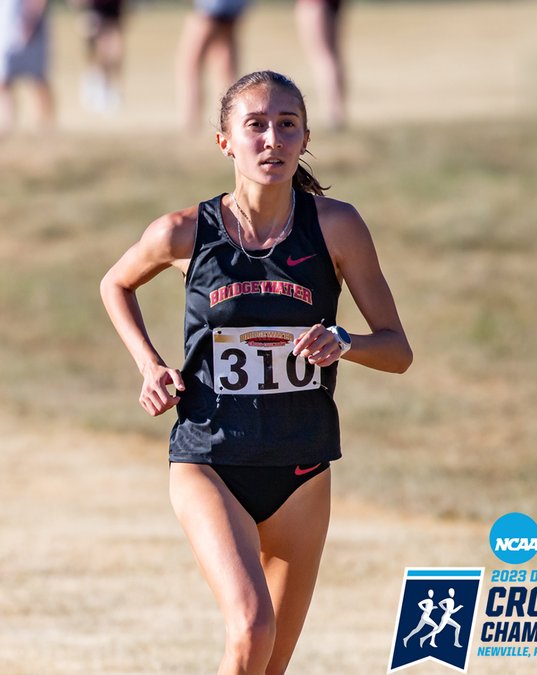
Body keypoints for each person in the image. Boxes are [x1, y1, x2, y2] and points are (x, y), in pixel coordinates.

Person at [100, 70, 413, 673]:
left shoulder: (336, 226)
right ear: (226, 142)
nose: (272, 138)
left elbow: (398, 351)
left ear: (304, 138)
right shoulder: (183, 231)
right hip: (210, 457)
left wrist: (344, 341)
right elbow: (115, 283)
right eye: (256, 126)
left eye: (287, 125)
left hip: (302, 466)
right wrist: (150, 364)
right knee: (250, 626)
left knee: (269, 664)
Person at [177, 0, 249, 130]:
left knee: (191, 64)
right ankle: (232, 119)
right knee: (225, 63)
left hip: (212, 6)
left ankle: (192, 121)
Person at [0, 0, 54, 135]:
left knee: (37, 78)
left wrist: (30, 21)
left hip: (28, 24)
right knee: (4, 80)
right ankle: (8, 123)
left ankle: (46, 125)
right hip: (8, 25)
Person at [294, 0, 346, 130]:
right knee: (332, 56)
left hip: (314, 3)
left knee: (322, 57)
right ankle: (336, 112)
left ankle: (332, 114)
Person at [75, 0, 125, 113]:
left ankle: (110, 87)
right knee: (99, 48)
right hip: (95, 8)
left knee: (115, 50)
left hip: (113, 7)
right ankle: (98, 84)